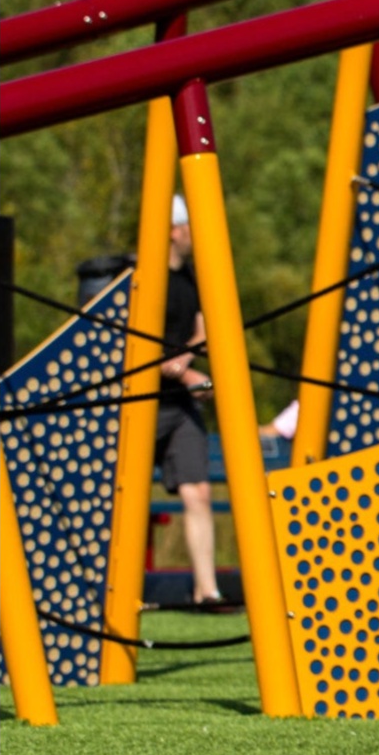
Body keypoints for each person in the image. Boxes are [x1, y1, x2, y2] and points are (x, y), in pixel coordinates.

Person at [153, 194, 222, 605]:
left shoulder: (190, 279)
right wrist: (184, 370)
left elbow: (201, 329)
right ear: (174, 230)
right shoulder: (143, 276)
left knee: (198, 491)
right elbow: (138, 346)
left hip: (178, 405)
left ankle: (207, 590)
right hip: (140, 402)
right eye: (189, 226)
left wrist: (187, 360)